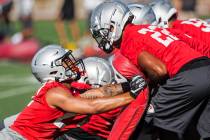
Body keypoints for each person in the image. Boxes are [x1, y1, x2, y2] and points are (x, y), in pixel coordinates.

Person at [90, 1, 210, 140]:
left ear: (113, 25)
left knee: (149, 118)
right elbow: (195, 44)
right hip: (205, 67)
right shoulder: (153, 29)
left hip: (187, 77)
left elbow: (159, 71)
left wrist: (146, 83)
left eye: (103, 32)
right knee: (202, 131)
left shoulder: (129, 40)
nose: (102, 38)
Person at [0, 45, 146, 139]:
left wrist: (128, 86)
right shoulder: (55, 93)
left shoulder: (68, 89)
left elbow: (102, 91)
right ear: (53, 70)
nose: (71, 63)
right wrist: (132, 95)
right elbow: (92, 107)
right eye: (65, 62)